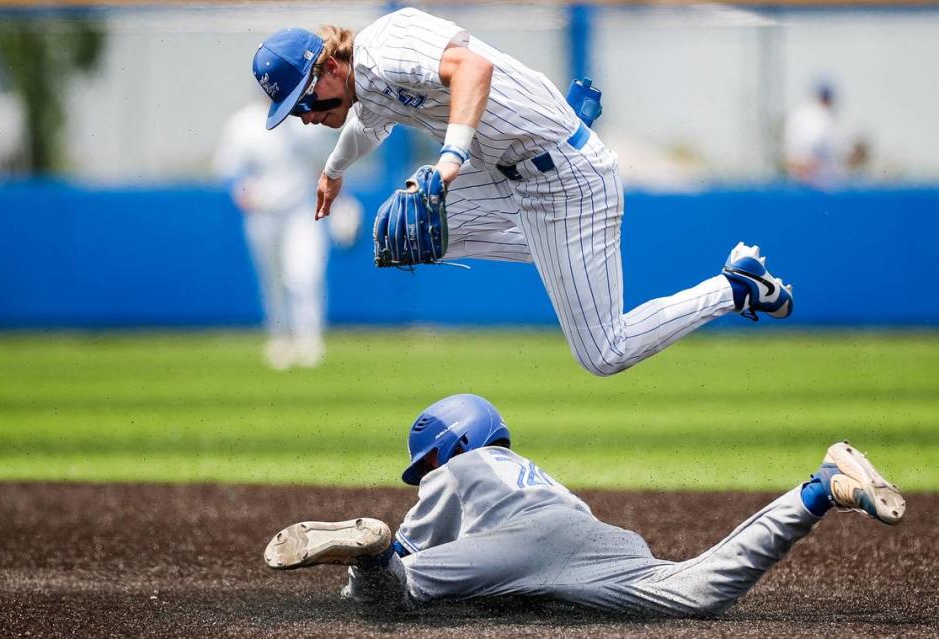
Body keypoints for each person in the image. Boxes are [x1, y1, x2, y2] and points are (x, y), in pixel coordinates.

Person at [250, 8, 794, 377]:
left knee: (605, 353)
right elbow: (370, 122)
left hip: (564, 183)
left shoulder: (386, 45)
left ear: (329, 65)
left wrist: (451, 157)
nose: (303, 115)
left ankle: (735, 287)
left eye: (303, 100)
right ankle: (561, 152)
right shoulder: (366, 86)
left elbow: (473, 67)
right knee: (403, 231)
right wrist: (334, 169)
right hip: (515, 172)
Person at [264, 393, 906, 617]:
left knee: (392, 594)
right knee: (700, 590)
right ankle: (820, 489)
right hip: (596, 536)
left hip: (523, 546)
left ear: (450, 444)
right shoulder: (532, 471)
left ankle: (359, 549)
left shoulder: (457, 468)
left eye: (426, 459)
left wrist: (373, 573)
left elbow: (415, 549)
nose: (425, 472)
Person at [213, 97, 361, 370]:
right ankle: (280, 341)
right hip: (262, 212)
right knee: (273, 281)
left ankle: (309, 341)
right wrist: (244, 194)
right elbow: (230, 170)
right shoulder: (244, 123)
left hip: (301, 209)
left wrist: (344, 202)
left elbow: (327, 167)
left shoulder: (309, 121)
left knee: (304, 275)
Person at [784, 81, 868, 188]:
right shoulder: (819, 116)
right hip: (816, 181)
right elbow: (812, 148)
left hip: (803, 179)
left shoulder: (801, 113)